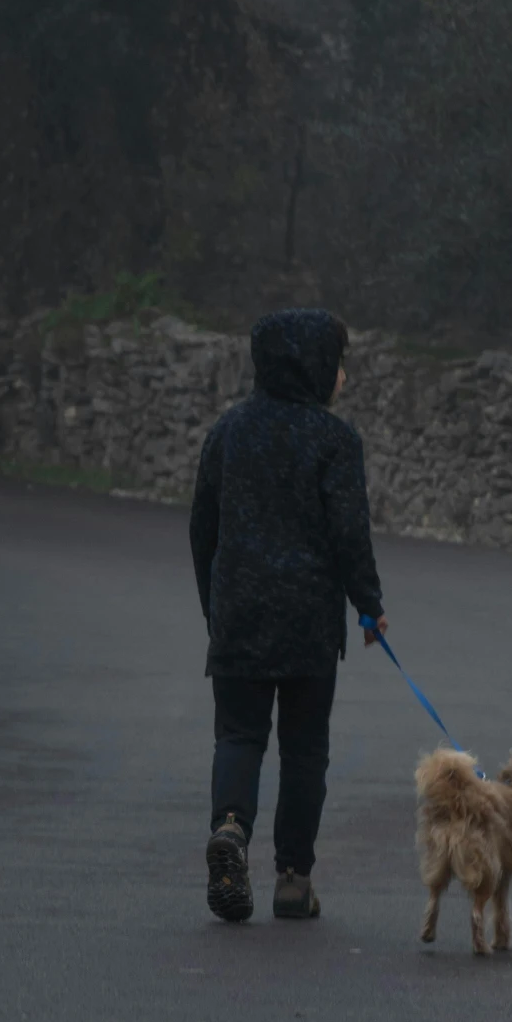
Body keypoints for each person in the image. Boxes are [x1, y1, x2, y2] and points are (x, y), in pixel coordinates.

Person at [190, 308, 386, 922]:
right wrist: (370, 606)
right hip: (307, 624)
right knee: (304, 752)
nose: (343, 377)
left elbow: (203, 528)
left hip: (239, 614)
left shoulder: (228, 432)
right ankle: (294, 880)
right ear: (314, 365)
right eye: (338, 362)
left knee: (239, 735)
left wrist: (214, 604)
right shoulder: (333, 440)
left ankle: (230, 828)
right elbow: (349, 533)